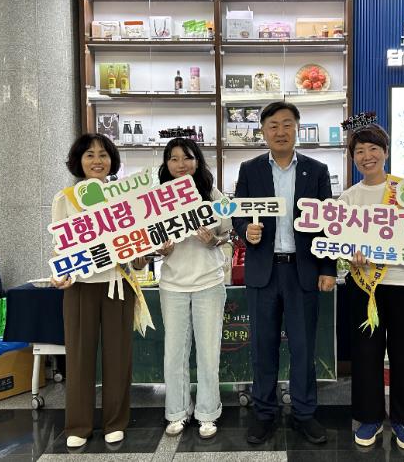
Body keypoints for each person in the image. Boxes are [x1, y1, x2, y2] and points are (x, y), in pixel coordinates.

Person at [232, 101, 336, 445]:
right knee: (263, 347)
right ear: (263, 131)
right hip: (263, 272)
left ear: (297, 128)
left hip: (302, 271)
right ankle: (264, 413)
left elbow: (328, 225)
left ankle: (304, 413)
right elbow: (238, 213)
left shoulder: (316, 170)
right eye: (273, 125)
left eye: (287, 124)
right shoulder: (250, 169)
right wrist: (246, 230)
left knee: (304, 347)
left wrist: (328, 268)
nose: (280, 131)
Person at [50, 133, 147, 448]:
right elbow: (59, 245)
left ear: (112, 160)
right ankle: (78, 425)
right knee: (79, 357)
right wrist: (60, 272)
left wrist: (143, 256)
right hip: (80, 287)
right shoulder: (66, 198)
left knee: (118, 357)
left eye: (103, 154)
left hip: (118, 284)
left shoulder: (125, 197)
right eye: (89, 155)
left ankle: (115, 422)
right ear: (79, 161)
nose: (97, 161)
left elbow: (138, 244)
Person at [339, 121, 404, 450]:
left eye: (373, 149)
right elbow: (340, 244)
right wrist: (350, 255)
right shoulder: (348, 198)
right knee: (366, 354)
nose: (367, 156)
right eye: (359, 151)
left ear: (386, 152)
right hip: (365, 287)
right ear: (352, 157)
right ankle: (370, 417)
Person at [155, 137, 232, 439]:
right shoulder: (158, 198)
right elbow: (148, 242)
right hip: (172, 284)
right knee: (174, 353)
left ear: (197, 161)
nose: (181, 164)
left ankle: (208, 412)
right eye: (173, 158)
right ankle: (176, 412)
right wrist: (159, 250)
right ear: (166, 164)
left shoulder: (212, 194)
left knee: (209, 352)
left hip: (209, 282)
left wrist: (214, 241)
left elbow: (229, 234)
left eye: (187, 157)